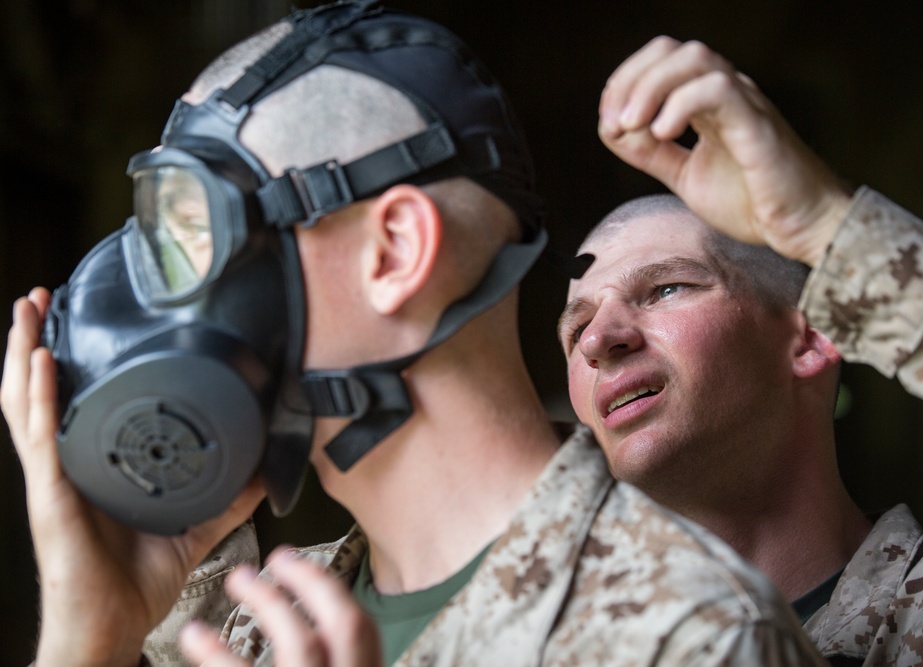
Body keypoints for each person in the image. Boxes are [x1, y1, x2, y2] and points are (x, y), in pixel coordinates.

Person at [0, 5, 826, 667]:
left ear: (394, 252)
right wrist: (91, 641)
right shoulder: (255, 629)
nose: (170, 298)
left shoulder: (690, 638)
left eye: (202, 237)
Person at [559, 35, 923, 665]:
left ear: (812, 336)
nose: (601, 341)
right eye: (575, 333)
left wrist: (824, 223)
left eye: (665, 289)